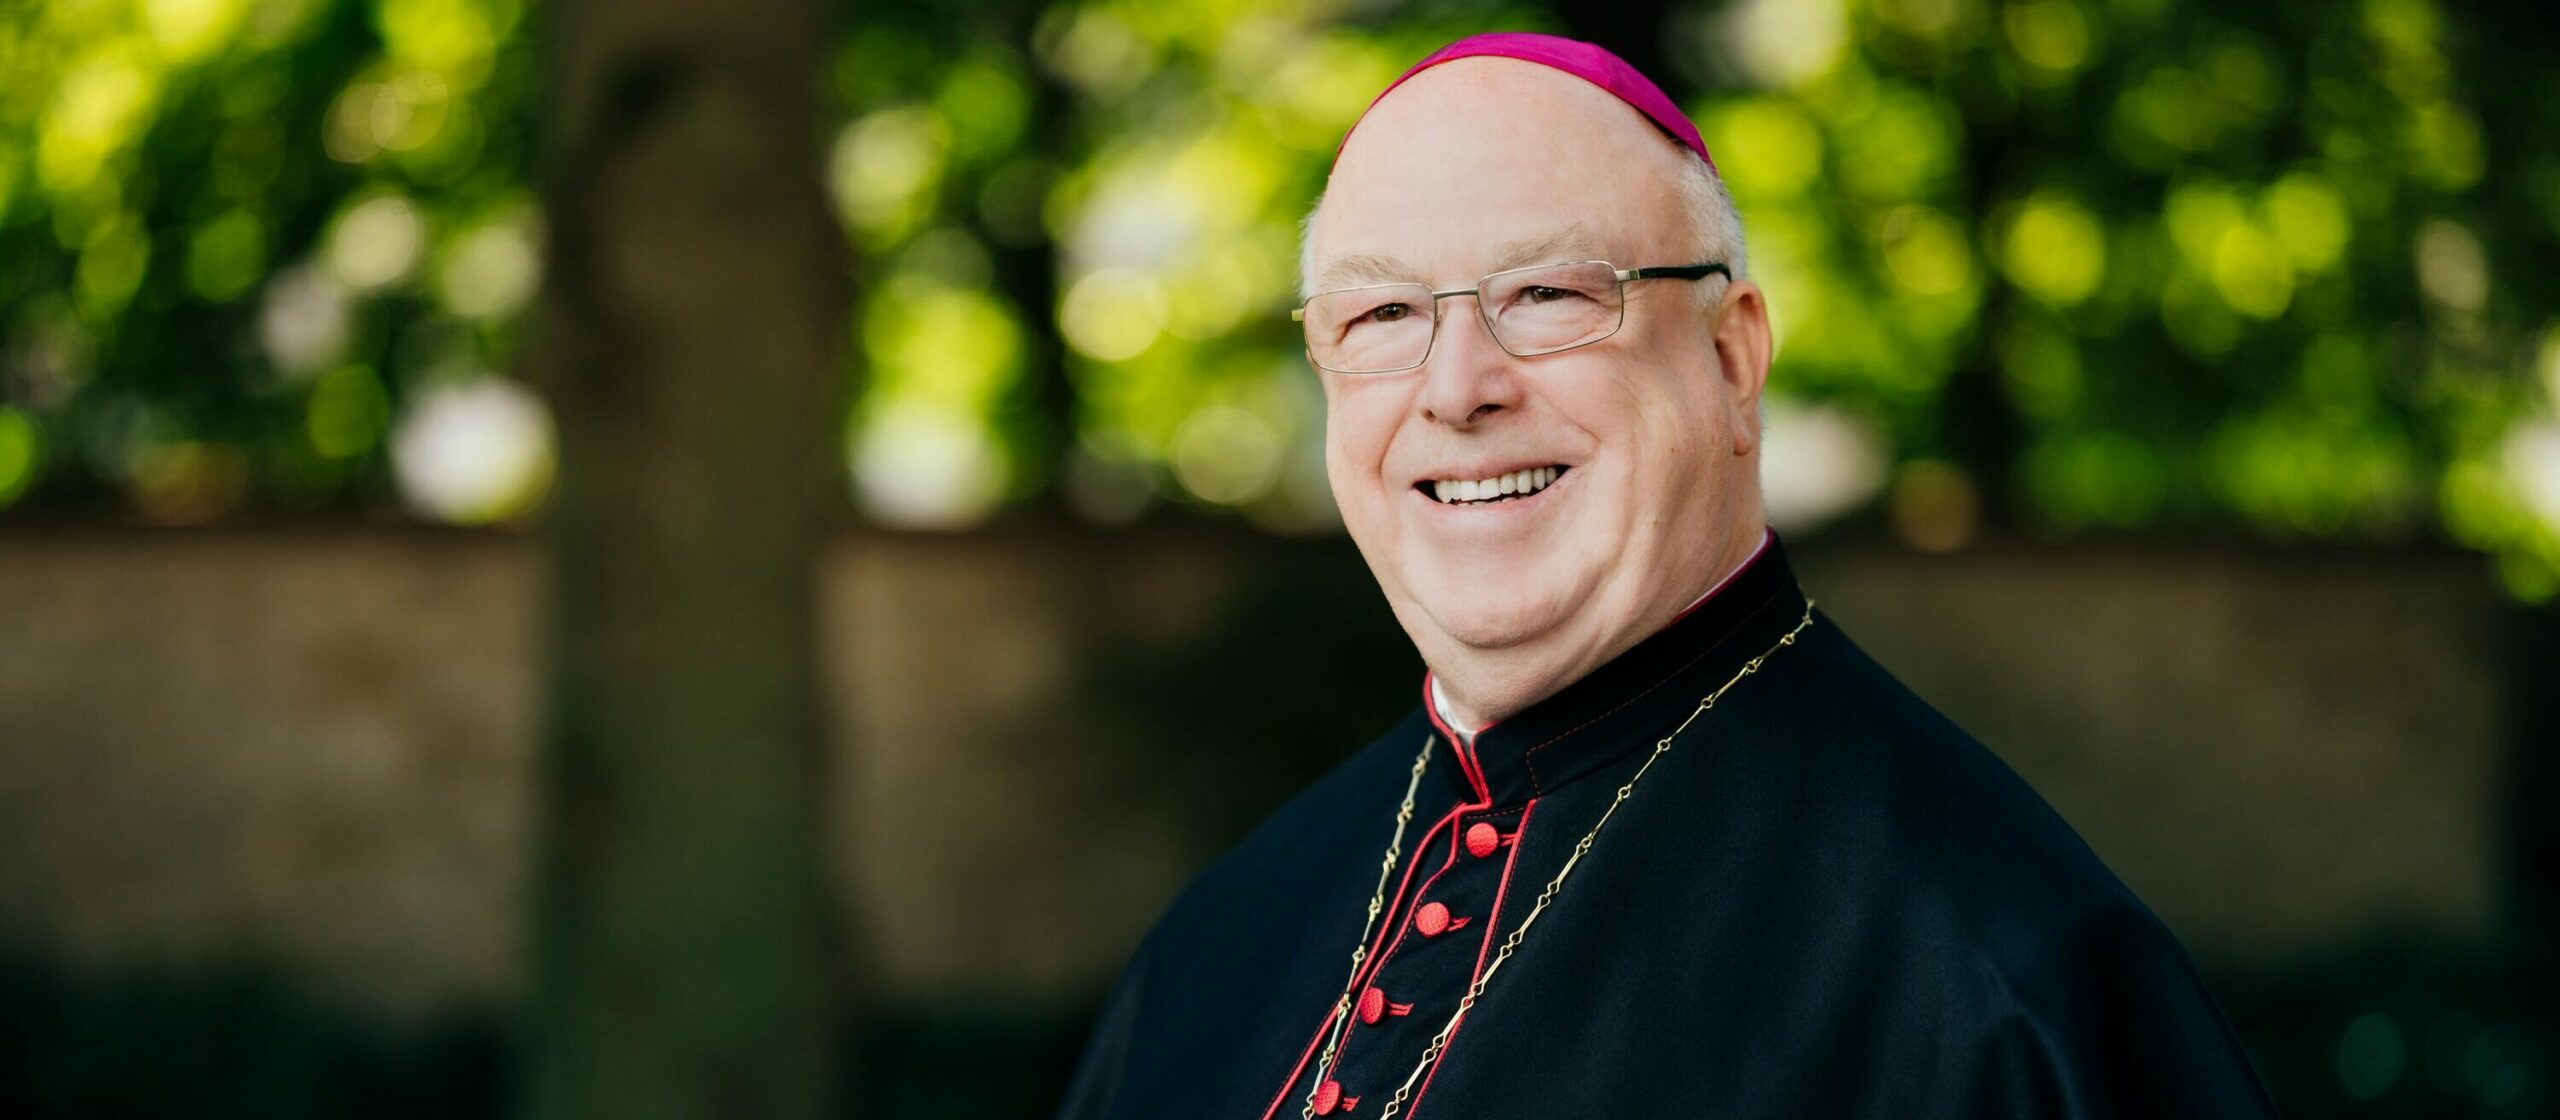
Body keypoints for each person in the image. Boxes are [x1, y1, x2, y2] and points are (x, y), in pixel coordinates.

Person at [1053, 33, 2276, 1120]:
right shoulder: (1215, 943)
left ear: (1731, 359)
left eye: (1546, 294)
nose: (1455, 388)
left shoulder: (2002, 973)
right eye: (1380, 315)